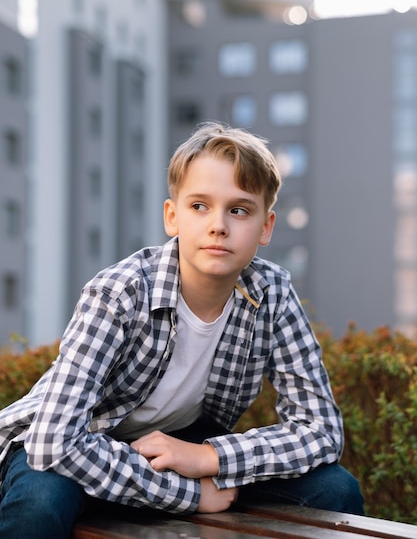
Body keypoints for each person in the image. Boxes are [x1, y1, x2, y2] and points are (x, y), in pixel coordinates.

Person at [0, 122, 364, 538]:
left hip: (181, 445)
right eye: (199, 206)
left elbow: (320, 431)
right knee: (39, 504)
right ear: (172, 216)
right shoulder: (120, 292)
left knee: (335, 490)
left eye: (239, 209)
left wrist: (210, 457)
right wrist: (188, 494)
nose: (218, 225)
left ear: (266, 226)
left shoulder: (273, 294)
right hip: (80, 442)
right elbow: (55, 442)